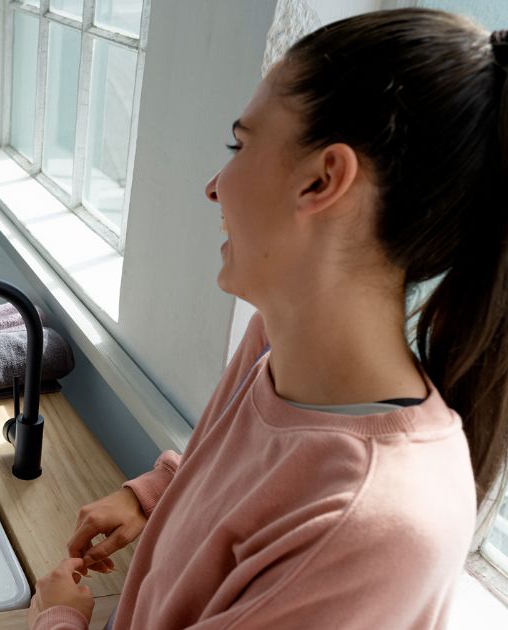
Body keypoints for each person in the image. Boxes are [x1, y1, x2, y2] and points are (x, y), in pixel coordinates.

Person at [30, 9, 508, 629]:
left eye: (241, 144)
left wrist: (58, 620)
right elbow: (247, 470)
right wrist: (155, 495)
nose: (213, 186)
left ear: (323, 179)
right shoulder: (276, 347)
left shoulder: (370, 525)